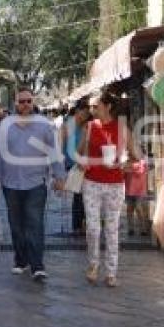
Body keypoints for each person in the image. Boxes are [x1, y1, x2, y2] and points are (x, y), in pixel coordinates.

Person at [0, 89, 65, 282]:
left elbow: (54, 152)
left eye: (29, 101)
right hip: (10, 183)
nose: (25, 104)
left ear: (33, 102)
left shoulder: (45, 125)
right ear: (15, 103)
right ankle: (21, 260)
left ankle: (37, 265)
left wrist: (59, 176)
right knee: (16, 225)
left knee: (35, 224)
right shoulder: (5, 125)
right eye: (22, 101)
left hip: (36, 182)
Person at [79, 91, 138, 288]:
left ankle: (111, 272)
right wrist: (83, 162)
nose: (91, 110)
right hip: (92, 182)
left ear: (108, 106)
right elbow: (80, 153)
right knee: (94, 228)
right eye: (90, 107)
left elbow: (137, 157)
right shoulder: (89, 127)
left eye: (95, 106)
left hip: (115, 183)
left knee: (112, 229)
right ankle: (93, 265)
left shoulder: (121, 128)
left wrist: (126, 164)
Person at [60, 99, 90, 235]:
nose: (85, 116)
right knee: (79, 195)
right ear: (77, 111)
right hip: (72, 165)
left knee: (84, 195)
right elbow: (61, 148)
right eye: (83, 113)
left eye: (87, 114)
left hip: (83, 164)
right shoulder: (67, 126)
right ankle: (77, 225)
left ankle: (81, 224)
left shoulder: (86, 126)